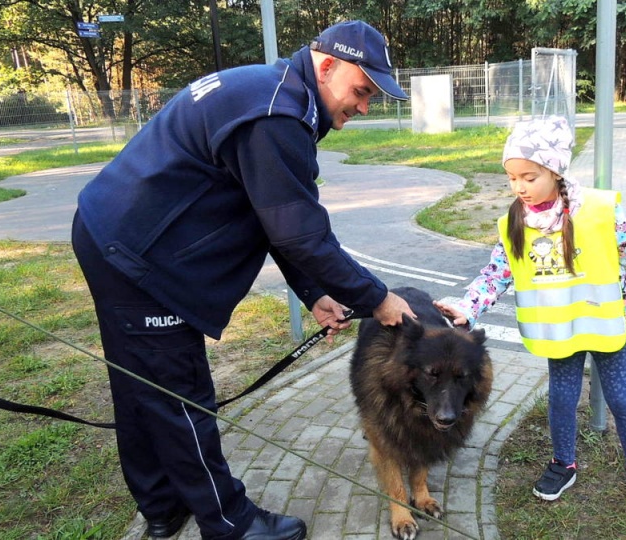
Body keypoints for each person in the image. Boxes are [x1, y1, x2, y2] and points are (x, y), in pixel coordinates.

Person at [71, 20, 417, 540]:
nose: (363, 107)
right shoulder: (276, 114)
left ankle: (163, 507)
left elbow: (274, 216)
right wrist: (377, 298)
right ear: (327, 67)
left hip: (111, 237)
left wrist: (315, 293)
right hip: (139, 260)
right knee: (178, 395)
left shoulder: (275, 91)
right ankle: (230, 523)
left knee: (141, 386)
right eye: (361, 91)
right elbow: (302, 235)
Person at [433, 118, 626, 516]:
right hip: (558, 330)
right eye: (512, 178)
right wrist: (468, 307)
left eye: (529, 176)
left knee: (621, 396)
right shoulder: (515, 222)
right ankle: (564, 462)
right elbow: (498, 273)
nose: (519, 187)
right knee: (561, 395)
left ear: (556, 171)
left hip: (610, 324)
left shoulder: (598, 210)